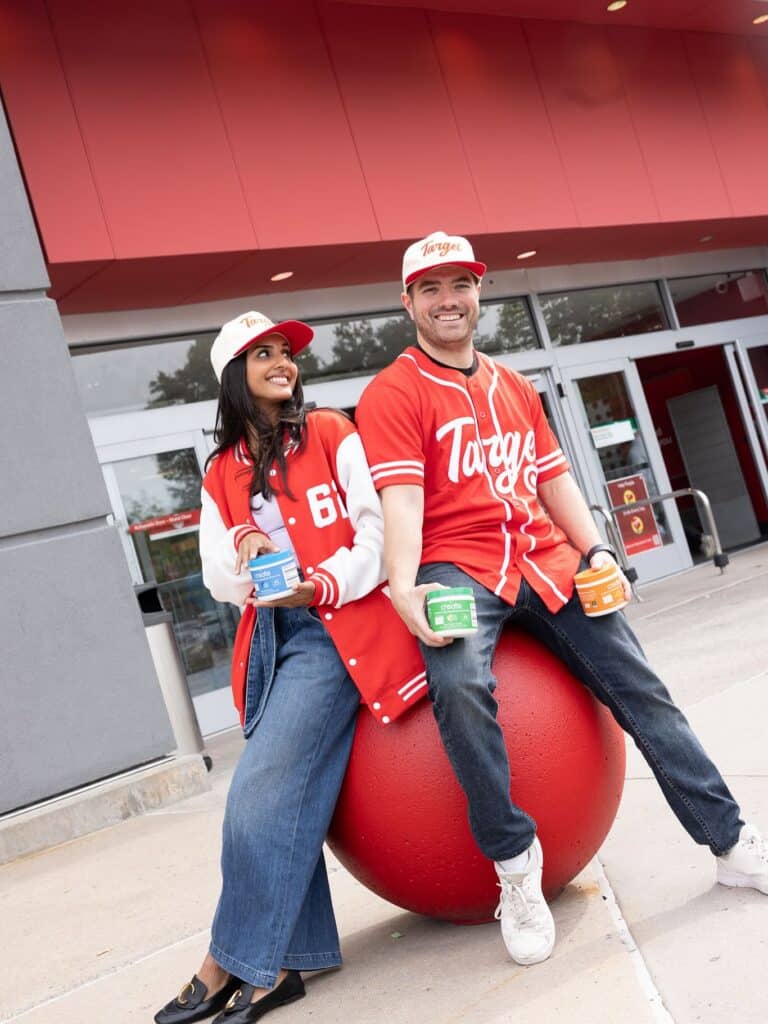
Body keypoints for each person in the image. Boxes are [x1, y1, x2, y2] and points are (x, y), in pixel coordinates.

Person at [355, 231, 768, 968]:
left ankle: (731, 841)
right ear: (408, 301)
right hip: (459, 568)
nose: (449, 301)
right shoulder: (394, 390)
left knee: (640, 688)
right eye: (432, 289)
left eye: (461, 285)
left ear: (478, 293)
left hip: (543, 559)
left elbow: (553, 478)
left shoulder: (513, 384)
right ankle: (516, 867)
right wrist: (403, 582)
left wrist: (598, 547)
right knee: (459, 688)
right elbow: (403, 500)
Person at [154, 311, 424, 1024]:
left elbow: (377, 527)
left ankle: (233, 963)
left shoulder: (332, 431)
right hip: (271, 633)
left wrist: (322, 582)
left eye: (285, 352)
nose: (281, 362)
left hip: (335, 627)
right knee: (285, 798)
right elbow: (218, 578)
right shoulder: (221, 472)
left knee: (256, 797)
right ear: (234, 376)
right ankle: (295, 957)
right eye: (262, 353)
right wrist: (243, 546)